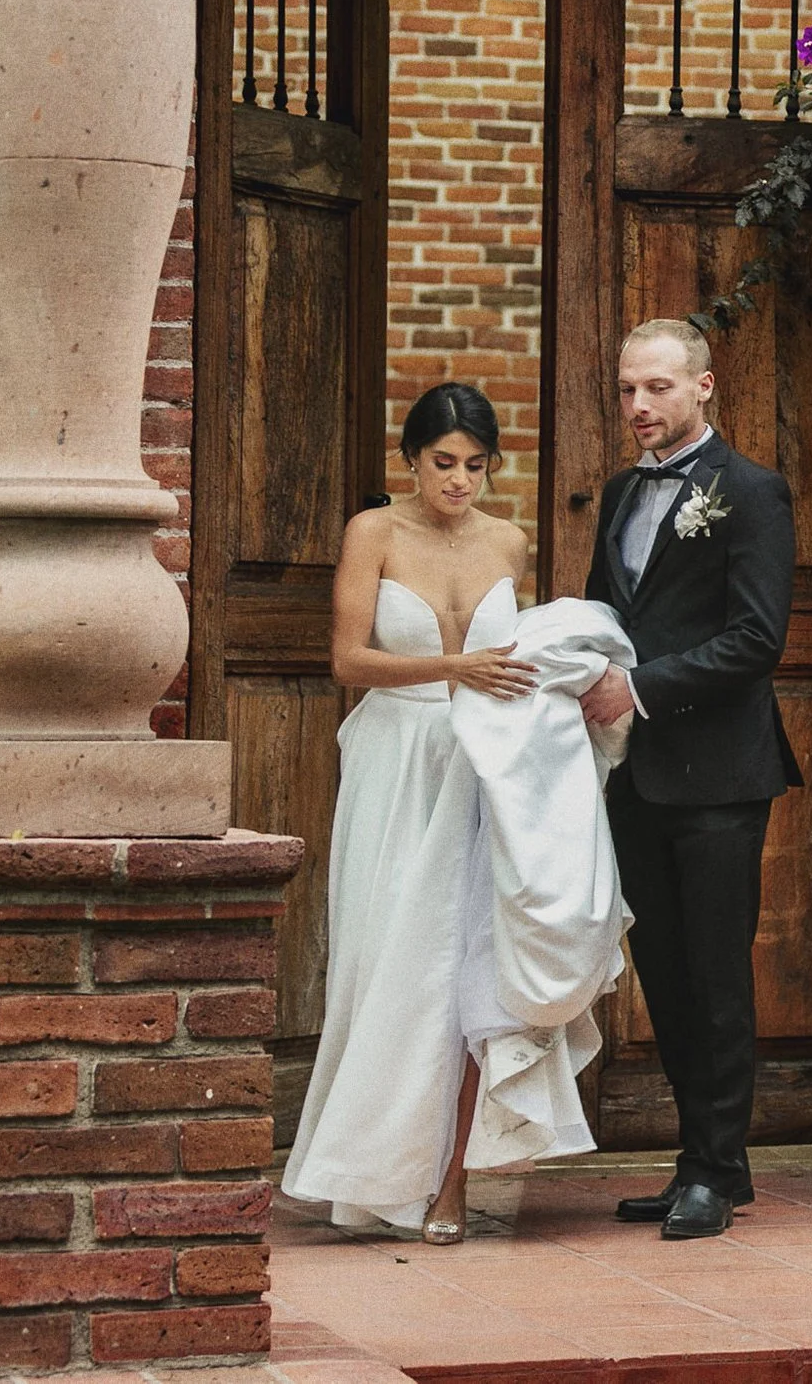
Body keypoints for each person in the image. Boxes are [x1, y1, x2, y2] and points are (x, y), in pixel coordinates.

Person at [283, 384, 636, 1245]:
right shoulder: (373, 532)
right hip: (395, 761)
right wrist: (454, 665)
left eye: (477, 465)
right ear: (412, 459)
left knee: (467, 966)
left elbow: (527, 657)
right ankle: (373, 1170)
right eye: (445, 463)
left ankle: (450, 1185)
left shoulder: (508, 541)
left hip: (487, 767)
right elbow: (347, 659)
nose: (461, 481)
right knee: (390, 960)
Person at [580, 318, 801, 1241]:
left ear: (705, 387)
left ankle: (717, 1170)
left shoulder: (751, 493)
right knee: (663, 978)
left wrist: (639, 686)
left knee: (715, 978)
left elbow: (759, 638)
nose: (639, 406)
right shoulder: (622, 492)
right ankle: (703, 1165)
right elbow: (605, 614)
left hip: (718, 777)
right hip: (636, 779)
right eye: (629, 388)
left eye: (659, 388)